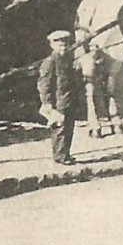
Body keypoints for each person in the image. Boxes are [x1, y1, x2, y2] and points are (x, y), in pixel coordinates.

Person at [38, 30, 80, 166]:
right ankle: (60, 156)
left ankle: (65, 153)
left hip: (69, 99)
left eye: (65, 45)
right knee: (59, 129)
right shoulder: (50, 62)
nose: (63, 49)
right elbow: (44, 84)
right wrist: (47, 103)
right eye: (60, 46)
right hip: (58, 101)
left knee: (69, 128)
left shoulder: (68, 60)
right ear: (52, 46)